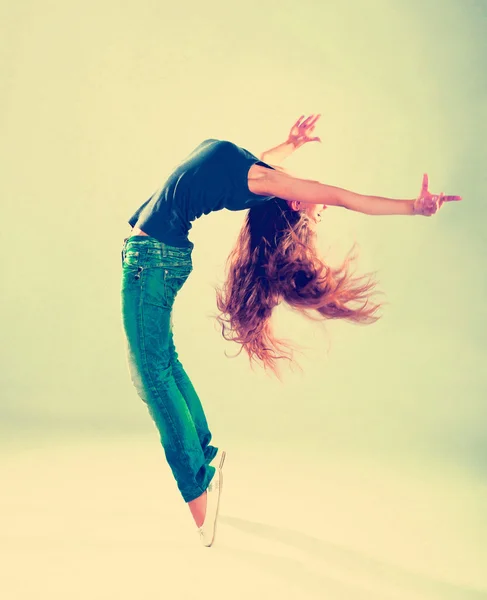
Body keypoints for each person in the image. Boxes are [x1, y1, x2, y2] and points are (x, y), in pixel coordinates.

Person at [120, 114, 462, 547]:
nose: (319, 208)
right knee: (161, 363)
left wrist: (413, 207)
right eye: (315, 211)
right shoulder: (261, 175)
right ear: (298, 201)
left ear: (293, 200)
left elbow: (343, 197)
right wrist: (292, 144)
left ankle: (197, 490)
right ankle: (204, 456)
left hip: (152, 260)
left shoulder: (266, 186)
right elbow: (277, 164)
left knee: (150, 374)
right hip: (154, 258)